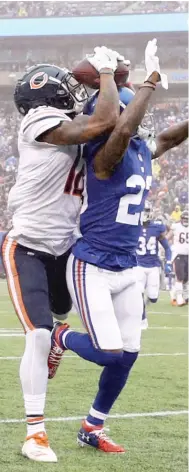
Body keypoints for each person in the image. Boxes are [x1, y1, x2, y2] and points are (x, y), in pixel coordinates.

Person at [50, 39, 188, 453]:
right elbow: (126, 128)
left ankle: (93, 426)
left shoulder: (142, 149)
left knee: (128, 355)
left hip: (128, 265)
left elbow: (168, 136)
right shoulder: (105, 154)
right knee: (109, 352)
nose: (139, 121)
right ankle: (60, 337)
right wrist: (148, 82)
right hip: (93, 262)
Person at [0, 47, 122, 462]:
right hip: (29, 246)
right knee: (36, 334)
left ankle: (58, 334)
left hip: (69, 248)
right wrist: (105, 74)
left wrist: (124, 83)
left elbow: (115, 125)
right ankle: (35, 433)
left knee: (62, 318)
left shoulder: (74, 122)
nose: (73, 92)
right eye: (65, 89)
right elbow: (104, 120)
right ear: (45, 100)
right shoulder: (38, 121)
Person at [136, 201, 172, 329]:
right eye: (143, 210)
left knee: (153, 298)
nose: (144, 213)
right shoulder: (134, 226)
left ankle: (144, 304)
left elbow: (167, 248)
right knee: (138, 293)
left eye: (146, 210)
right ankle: (142, 318)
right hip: (138, 265)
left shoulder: (157, 227)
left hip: (153, 266)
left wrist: (168, 262)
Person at [170, 210, 189, 306]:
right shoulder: (176, 226)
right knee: (180, 278)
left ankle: (178, 296)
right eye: (184, 218)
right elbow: (168, 235)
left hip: (187, 255)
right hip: (178, 255)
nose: (186, 220)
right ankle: (179, 298)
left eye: (187, 219)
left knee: (186, 279)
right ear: (181, 219)